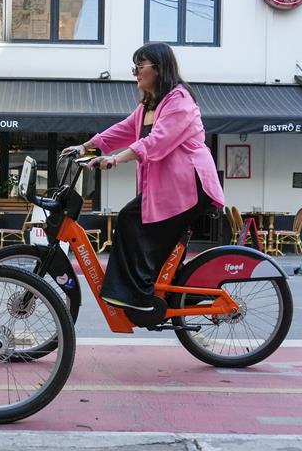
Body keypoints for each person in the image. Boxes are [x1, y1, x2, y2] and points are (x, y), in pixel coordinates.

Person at [62, 42, 224, 312]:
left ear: (159, 68)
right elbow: (123, 130)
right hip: (169, 187)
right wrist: (86, 147)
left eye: (140, 65)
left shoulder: (179, 100)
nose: (135, 71)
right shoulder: (150, 104)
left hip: (190, 185)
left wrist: (116, 158)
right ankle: (150, 293)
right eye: (134, 66)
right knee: (140, 225)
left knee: (130, 219)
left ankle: (136, 296)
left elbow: (157, 142)